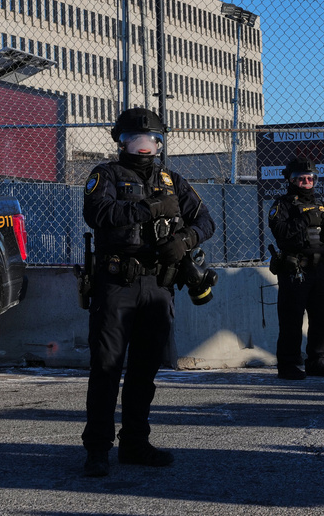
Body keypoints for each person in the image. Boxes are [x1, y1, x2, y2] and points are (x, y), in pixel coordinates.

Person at [81, 107, 215, 477]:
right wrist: (147, 209)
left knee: (144, 371)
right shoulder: (105, 175)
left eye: (151, 141)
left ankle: (135, 443)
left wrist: (186, 239)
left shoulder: (173, 180)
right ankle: (97, 450)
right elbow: (98, 214)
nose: (143, 148)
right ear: (120, 142)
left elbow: (206, 220)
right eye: (135, 140)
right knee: (106, 369)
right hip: (116, 284)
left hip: (158, 285)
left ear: (159, 143)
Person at [268, 157, 324, 380]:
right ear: (290, 180)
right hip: (295, 270)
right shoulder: (282, 205)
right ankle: (288, 365)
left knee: (322, 317)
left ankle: (316, 362)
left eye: (310, 178)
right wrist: (304, 219)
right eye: (300, 179)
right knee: (291, 319)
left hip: (319, 269)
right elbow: (280, 232)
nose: (306, 182)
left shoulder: (322, 205)